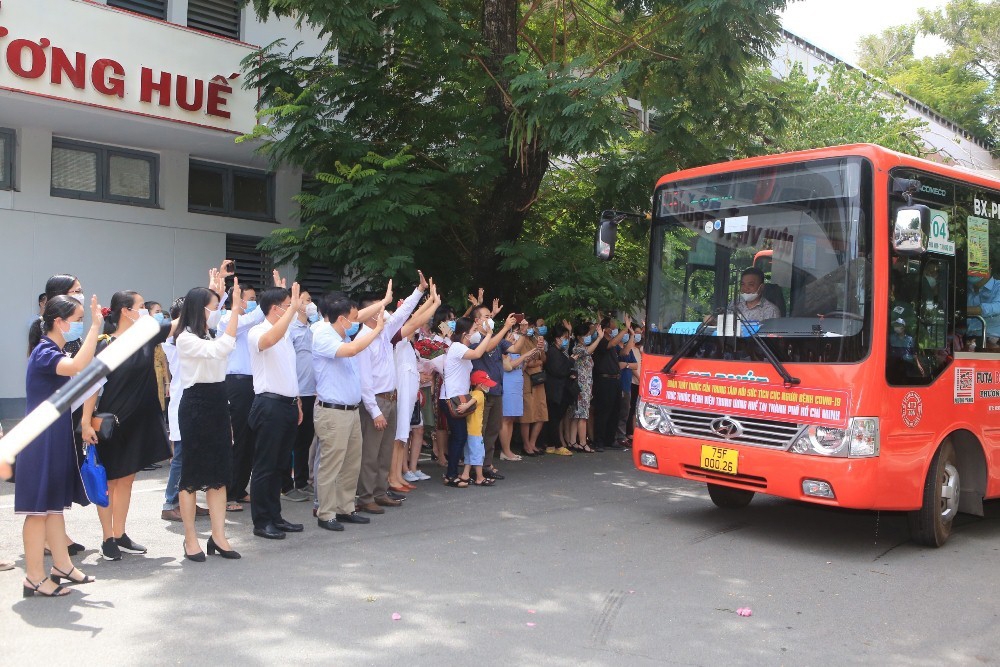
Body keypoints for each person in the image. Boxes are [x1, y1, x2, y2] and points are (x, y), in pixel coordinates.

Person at [17, 295, 103, 597]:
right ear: (59, 321)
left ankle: (62, 566)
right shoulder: (44, 352)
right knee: (38, 510)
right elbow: (79, 364)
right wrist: (96, 327)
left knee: (53, 507)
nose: (80, 324)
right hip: (40, 440)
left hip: (53, 436)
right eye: (78, 319)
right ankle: (34, 577)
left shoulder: (54, 349)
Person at [82, 290, 173, 561]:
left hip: (140, 421)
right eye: (140, 306)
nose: (145, 311)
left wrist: (215, 292)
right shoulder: (107, 343)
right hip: (113, 423)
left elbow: (182, 322)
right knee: (110, 481)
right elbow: (92, 385)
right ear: (125, 311)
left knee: (127, 480)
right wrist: (86, 423)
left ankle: (120, 533)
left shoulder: (146, 336)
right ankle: (107, 537)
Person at [175, 279, 244, 561]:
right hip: (196, 404)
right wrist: (237, 311)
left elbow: (220, 346)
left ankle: (219, 536)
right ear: (201, 309)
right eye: (215, 307)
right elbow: (222, 349)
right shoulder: (186, 338)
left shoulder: (210, 333)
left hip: (217, 402)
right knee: (191, 475)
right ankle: (190, 539)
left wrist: (223, 295)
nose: (219, 312)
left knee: (219, 475)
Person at [311, 295, 386, 531]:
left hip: (351, 411)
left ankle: (345, 508)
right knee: (331, 465)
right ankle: (326, 513)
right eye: (353, 319)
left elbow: (359, 317)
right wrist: (377, 330)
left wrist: (385, 301)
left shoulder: (343, 331)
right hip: (333, 412)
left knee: (351, 464)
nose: (358, 323)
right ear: (342, 319)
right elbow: (351, 351)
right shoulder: (323, 335)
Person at [356, 273, 426, 513]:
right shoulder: (363, 339)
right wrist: (375, 412)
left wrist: (419, 291)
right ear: (370, 315)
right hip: (375, 402)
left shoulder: (383, 334)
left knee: (385, 452)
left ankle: (379, 492)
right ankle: (365, 497)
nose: (385, 316)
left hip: (390, 398)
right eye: (380, 311)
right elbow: (365, 382)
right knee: (370, 453)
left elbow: (403, 314)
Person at [247, 283, 305, 539]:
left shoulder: (286, 335)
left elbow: (288, 372)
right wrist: (292, 310)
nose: (291, 310)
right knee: (265, 466)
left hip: (288, 405)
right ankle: (262, 521)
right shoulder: (258, 331)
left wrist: (298, 401)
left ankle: (275, 516)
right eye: (286, 306)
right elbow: (268, 340)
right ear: (274, 309)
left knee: (280, 465)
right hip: (268, 405)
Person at [442, 314, 517, 485]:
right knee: (460, 437)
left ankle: (457, 474)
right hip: (452, 398)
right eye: (474, 330)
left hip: (460, 397)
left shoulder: (460, 347)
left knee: (461, 437)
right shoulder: (457, 347)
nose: (476, 333)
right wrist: (490, 335)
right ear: (464, 334)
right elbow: (477, 353)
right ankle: (451, 475)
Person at [389, 285, 441, 492]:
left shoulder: (410, 344)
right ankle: (392, 476)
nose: (418, 326)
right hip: (399, 393)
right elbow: (415, 319)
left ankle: (397, 475)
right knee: (398, 437)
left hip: (409, 394)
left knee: (403, 436)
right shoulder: (397, 338)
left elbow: (415, 319)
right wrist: (432, 304)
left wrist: (430, 303)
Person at [217, 278, 259, 512]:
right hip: (236, 383)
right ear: (238, 299)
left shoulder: (249, 323)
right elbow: (251, 318)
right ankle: (228, 492)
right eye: (251, 300)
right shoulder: (228, 320)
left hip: (253, 383)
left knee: (250, 439)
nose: (254, 304)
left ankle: (240, 487)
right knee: (237, 439)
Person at [283, 289, 318, 502]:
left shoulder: (314, 328)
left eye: (310, 300)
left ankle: (302, 481)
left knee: (305, 440)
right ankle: (286, 485)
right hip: (295, 392)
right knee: (289, 440)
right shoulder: (289, 329)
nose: (309, 304)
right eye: (304, 301)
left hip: (311, 392)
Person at [470, 301, 512, 479]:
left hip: (496, 390)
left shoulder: (492, 336)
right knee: (480, 429)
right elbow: (487, 347)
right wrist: (505, 328)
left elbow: (513, 348)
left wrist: (523, 333)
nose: (490, 319)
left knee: (493, 429)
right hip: (481, 392)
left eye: (490, 316)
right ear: (477, 321)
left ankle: (487, 464)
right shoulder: (473, 338)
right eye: (487, 317)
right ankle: (475, 466)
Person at [591, 316, 629, 452]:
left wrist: (629, 335)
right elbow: (612, 344)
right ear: (606, 329)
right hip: (604, 380)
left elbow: (624, 352)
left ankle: (610, 438)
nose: (614, 329)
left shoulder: (613, 344)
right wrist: (625, 330)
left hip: (615, 380)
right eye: (613, 327)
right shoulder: (601, 342)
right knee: (603, 411)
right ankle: (599, 441)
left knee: (615, 410)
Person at [540, 325, 575, 455]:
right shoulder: (553, 352)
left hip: (559, 389)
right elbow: (558, 370)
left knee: (555, 417)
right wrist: (571, 362)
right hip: (555, 390)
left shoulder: (559, 351)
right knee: (554, 418)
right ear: (557, 339)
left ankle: (550, 444)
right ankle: (557, 445)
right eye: (564, 338)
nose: (566, 340)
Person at [569, 322, 603, 452]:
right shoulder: (578, 348)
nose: (589, 337)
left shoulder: (583, 348)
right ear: (579, 337)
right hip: (580, 385)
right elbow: (588, 350)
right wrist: (599, 338)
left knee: (576, 415)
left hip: (586, 385)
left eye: (589, 334)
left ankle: (573, 441)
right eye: (586, 335)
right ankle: (583, 442)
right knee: (582, 415)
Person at [500, 329, 533, 460]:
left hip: (517, 384)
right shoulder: (503, 350)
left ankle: (508, 450)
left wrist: (526, 359)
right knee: (505, 418)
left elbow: (520, 368)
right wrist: (524, 356)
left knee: (512, 418)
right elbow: (508, 366)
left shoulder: (517, 352)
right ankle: (505, 450)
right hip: (507, 385)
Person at [460, 371, 496, 487]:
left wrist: (465, 405)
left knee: (470, 453)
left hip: (469, 429)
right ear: (480, 384)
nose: (488, 386)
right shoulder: (479, 394)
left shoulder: (471, 392)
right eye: (486, 383)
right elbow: (474, 400)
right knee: (478, 454)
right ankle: (480, 477)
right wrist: (466, 406)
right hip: (476, 431)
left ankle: (465, 474)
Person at [519, 323, 548, 456]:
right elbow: (527, 362)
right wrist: (539, 362)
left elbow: (544, 359)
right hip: (528, 380)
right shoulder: (521, 340)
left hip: (539, 380)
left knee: (541, 412)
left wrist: (541, 350)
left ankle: (532, 442)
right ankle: (526, 445)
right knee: (528, 414)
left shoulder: (536, 340)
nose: (531, 330)